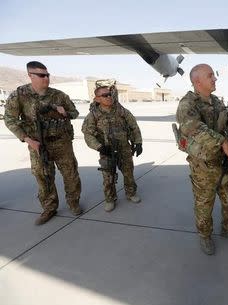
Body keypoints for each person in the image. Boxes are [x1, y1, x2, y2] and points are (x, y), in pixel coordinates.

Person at [176, 64, 228, 255]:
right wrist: (223, 142)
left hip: (224, 163)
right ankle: (205, 236)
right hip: (203, 167)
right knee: (204, 205)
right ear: (197, 81)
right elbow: (193, 128)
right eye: (210, 76)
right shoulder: (187, 104)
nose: (215, 79)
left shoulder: (217, 102)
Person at [4, 61, 82, 225]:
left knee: (71, 175)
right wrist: (27, 140)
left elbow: (75, 113)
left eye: (47, 75)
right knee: (43, 177)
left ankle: (73, 203)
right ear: (30, 75)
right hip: (38, 145)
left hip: (62, 143)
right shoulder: (19, 95)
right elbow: (10, 120)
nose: (45, 78)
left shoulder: (59, 95)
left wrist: (65, 112)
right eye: (41, 75)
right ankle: (49, 208)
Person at [81, 80, 143, 212]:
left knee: (128, 173)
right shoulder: (93, 115)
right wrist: (99, 147)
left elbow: (133, 126)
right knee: (108, 177)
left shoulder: (121, 110)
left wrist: (138, 142)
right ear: (97, 99)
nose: (109, 97)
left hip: (124, 148)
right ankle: (110, 199)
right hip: (107, 150)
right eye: (104, 95)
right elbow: (88, 135)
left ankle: (131, 193)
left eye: (109, 94)